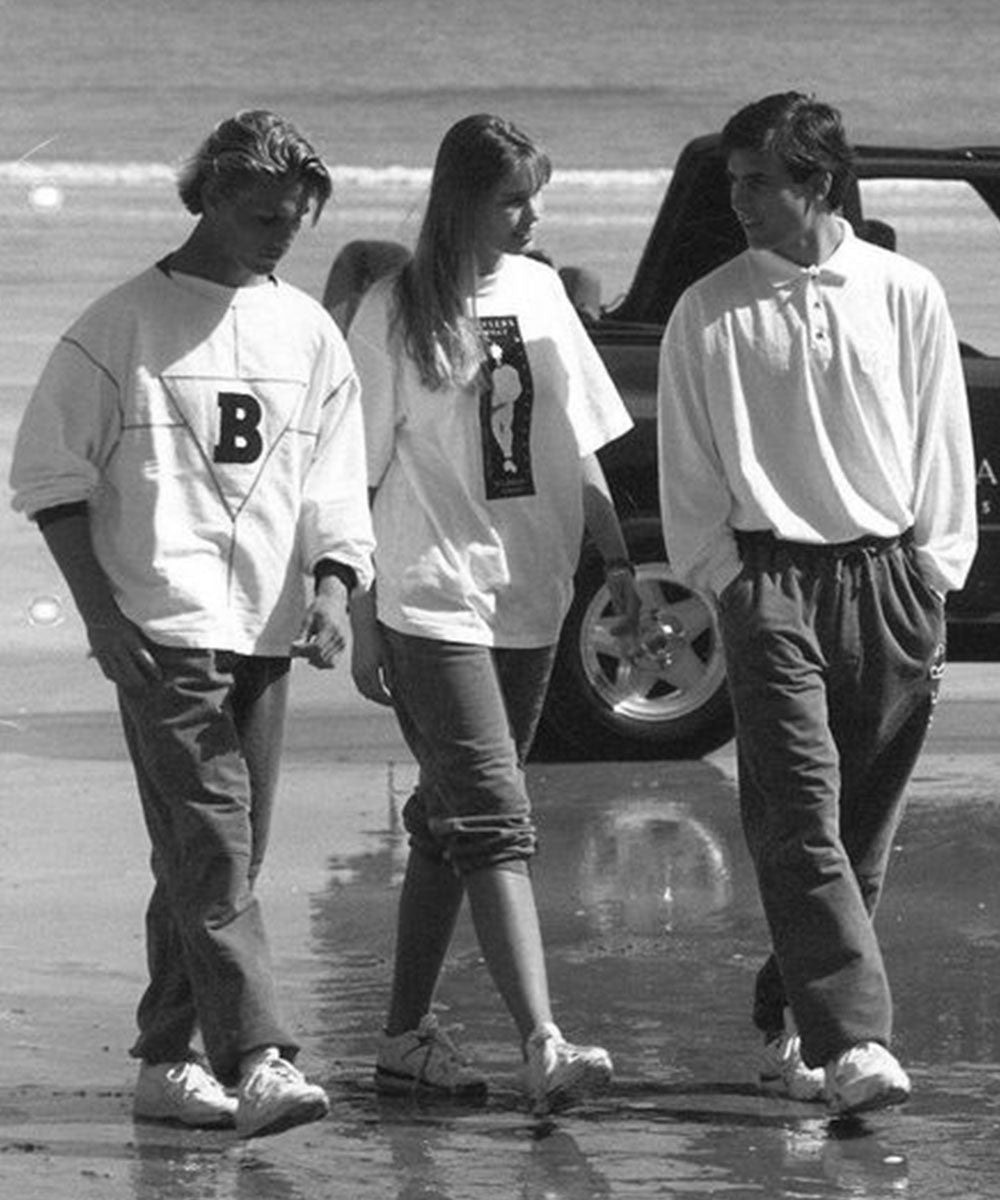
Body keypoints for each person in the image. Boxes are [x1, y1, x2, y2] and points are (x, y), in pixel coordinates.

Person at [9, 110, 376, 1139]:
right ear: (210, 195)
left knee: (219, 857)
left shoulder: (309, 332)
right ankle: (258, 1059)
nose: (280, 236)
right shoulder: (120, 324)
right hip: (160, 626)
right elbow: (48, 478)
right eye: (263, 217)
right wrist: (101, 616)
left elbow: (334, 478)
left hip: (266, 625)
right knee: (212, 845)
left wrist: (334, 588)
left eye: (295, 221)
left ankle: (165, 1062)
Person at [657, 92, 977, 1116]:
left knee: (859, 836)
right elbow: (688, 471)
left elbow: (942, 437)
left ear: (819, 181)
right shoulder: (707, 309)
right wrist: (730, 584)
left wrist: (934, 575)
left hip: (890, 581)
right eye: (733, 181)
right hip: (771, 585)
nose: (739, 199)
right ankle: (855, 1044)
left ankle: (789, 1018)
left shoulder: (904, 291)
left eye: (759, 181)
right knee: (798, 817)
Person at [346, 113, 641, 1115]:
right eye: (514, 200)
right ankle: (543, 1044)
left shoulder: (542, 291)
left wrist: (618, 560)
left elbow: (579, 438)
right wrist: (360, 614)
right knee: (495, 820)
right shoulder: (392, 310)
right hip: (432, 594)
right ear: (462, 200)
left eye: (536, 198)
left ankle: (403, 1041)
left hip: (533, 592)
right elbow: (352, 474)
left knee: (449, 821)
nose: (532, 217)